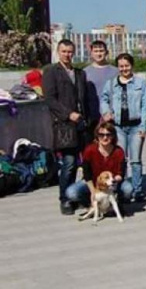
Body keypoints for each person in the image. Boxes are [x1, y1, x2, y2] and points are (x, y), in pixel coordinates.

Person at [43, 39, 91, 215]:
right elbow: (49, 99)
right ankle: (65, 199)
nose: (67, 54)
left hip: (81, 124)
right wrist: (68, 114)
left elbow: (84, 98)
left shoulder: (80, 73)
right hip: (64, 125)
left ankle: (80, 195)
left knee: (85, 162)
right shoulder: (51, 71)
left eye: (70, 51)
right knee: (69, 163)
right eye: (64, 51)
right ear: (58, 52)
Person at [100, 53, 146, 201]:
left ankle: (137, 190)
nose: (124, 69)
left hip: (135, 127)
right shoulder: (110, 84)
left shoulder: (141, 83)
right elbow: (104, 99)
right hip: (118, 127)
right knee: (121, 159)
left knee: (135, 160)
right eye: (121, 66)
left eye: (127, 65)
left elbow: (145, 106)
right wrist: (106, 112)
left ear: (132, 66)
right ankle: (123, 189)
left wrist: (144, 126)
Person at [64, 121, 134, 206]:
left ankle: (116, 202)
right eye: (101, 135)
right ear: (97, 136)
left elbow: (121, 173)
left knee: (128, 189)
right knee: (71, 193)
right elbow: (86, 173)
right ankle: (89, 202)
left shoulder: (119, 151)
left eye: (108, 135)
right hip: (93, 182)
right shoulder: (90, 150)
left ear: (113, 136)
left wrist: (113, 181)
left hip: (113, 183)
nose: (105, 138)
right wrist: (93, 191)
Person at [84, 40, 119, 128]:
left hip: (112, 116)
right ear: (91, 53)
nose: (98, 54)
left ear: (106, 52)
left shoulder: (116, 71)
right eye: (96, 51)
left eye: (101, 51)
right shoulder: (84, 72)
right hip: (92, 116)